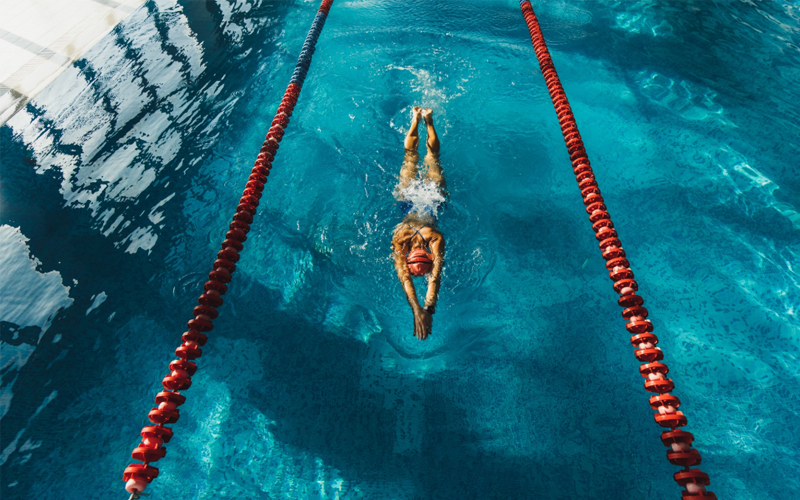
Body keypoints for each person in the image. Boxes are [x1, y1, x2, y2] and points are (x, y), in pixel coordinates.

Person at [391, 107, 446, 341]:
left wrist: (425, 309)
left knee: (431, 158)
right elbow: (405, 276)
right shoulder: (401, 238)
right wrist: (421, 308)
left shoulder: (435, 238)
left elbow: (434, 276)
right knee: (411, 156)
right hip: (406, 200)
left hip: (433, 200)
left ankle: (427, 120)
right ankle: (418, 119)